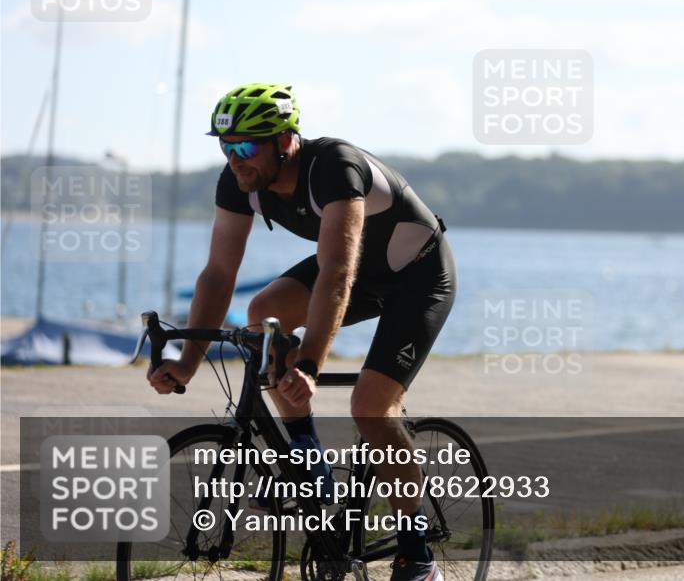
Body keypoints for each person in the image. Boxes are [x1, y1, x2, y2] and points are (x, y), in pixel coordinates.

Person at [147, 83, 455, 581]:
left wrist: (310, 364)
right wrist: (186, 360)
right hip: (357, 273)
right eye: (225, 147)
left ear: (285, 140)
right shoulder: (238, 180)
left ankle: (417, 555)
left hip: (417, 278)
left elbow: (336, 272)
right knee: (262, 311)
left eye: (246, 146)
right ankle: (314, 473)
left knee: (371, 407)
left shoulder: (334, 166)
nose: (235, 159)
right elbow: (219, 274)